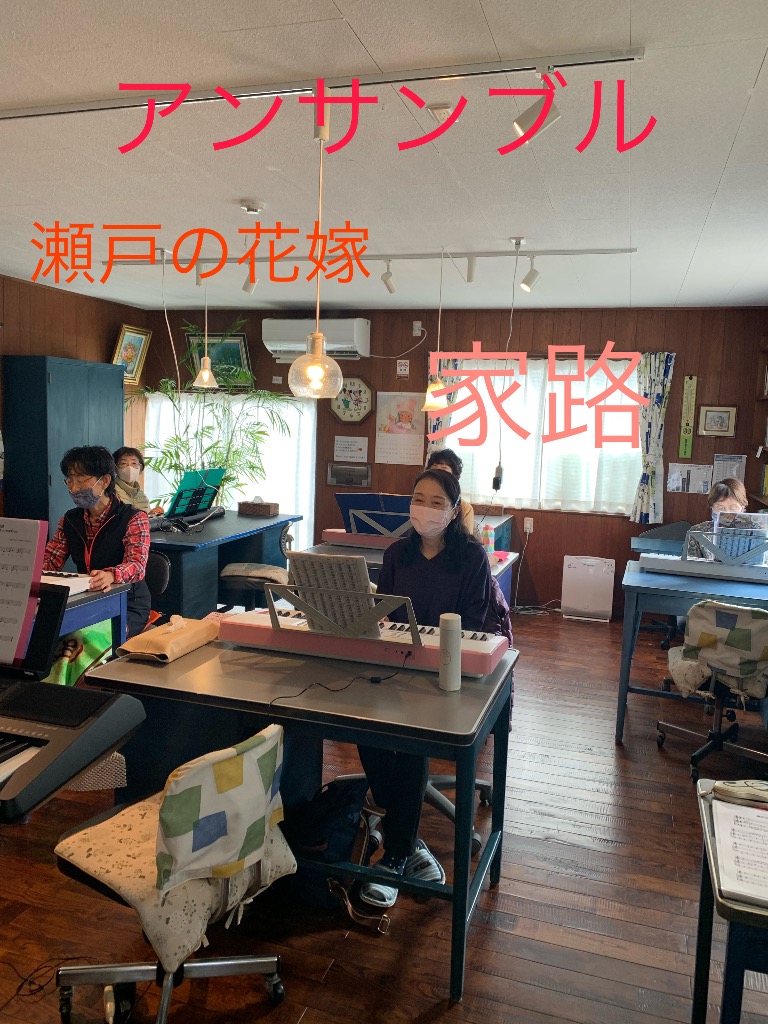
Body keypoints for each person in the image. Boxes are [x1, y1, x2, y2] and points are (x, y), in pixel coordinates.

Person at [357, 468, 492, 909]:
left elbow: (475, 626)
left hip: (448, 673)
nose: (426, 509)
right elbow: (384, 614)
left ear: (453, 512)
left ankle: (395, 856)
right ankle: (410, 840)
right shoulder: (397, 553)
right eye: (419, 499)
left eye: (437, 502)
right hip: (397, 667)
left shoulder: (471, 558)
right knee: (366, 730)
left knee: (412, 742)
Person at [44, 445, 151, 638]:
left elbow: (137, 565)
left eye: (81, 481)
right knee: (49, 637)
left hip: (127, 604)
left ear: (105, 481)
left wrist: (111, 575)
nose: (74, 488)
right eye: (70, 481)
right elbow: (50, 560)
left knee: (91, 640)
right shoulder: (70, 520)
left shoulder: (133, 518)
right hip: (87, 600)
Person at [686, 477, 748, 559]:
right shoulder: (697, 531)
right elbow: (690, 564)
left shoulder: (757, 532)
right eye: (720, 508)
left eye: (733, 508)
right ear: (712, 508)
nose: (727, 513)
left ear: (743, 508)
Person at [426, 447, 475, 534]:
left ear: (454, 477)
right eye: (434, 469)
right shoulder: (420, 501)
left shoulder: (464, 508)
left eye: (444, 469)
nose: (438, 474)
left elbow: (466, 539)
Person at [112, 446, 164, 516]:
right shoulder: (111, 492)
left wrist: (153, 514)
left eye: (134, 463)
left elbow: (145, 518)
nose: (129, 467)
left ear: (141, 468)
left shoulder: (142, 496)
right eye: (124, 463)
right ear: (115, 468)